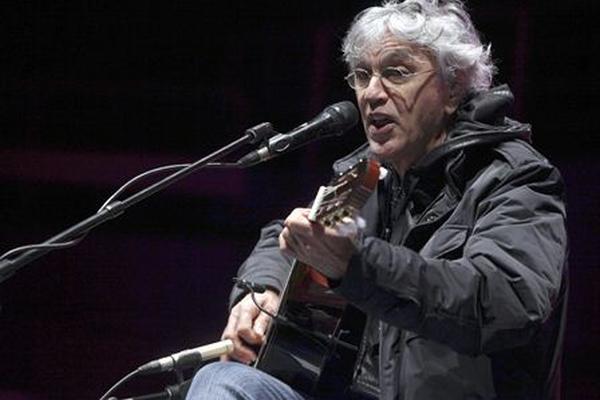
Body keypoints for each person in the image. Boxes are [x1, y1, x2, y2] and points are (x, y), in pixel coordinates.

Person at [186, 0, 568, 399]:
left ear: (453, 87)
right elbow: (291, 237)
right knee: (220, 382)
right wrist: (262, 287)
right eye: (362, 75)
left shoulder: (515, 177)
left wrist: (356, 264)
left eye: (396, 73)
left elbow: (506, 302)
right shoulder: (366, 176)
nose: (371, 93)